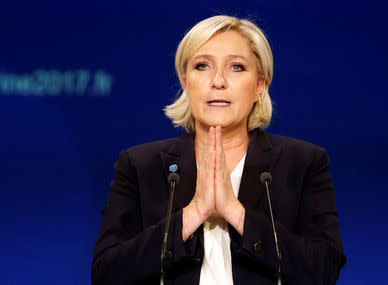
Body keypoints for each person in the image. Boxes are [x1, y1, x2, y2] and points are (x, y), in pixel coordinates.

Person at [91, 15, 346, 285]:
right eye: (202, 66)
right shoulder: (140, 165)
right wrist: (192, 215)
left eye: (236, 67)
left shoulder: (303, 163)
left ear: (260, 83)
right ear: (185, 80)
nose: (218, 81)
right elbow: (106, 274)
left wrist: (237, 213)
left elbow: (324, 270)